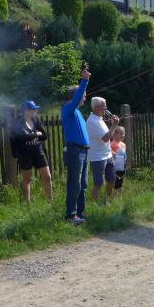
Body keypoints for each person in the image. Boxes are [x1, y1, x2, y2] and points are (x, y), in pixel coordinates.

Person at [61, 66, 90, 225]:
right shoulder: (68, 108)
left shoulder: (77, 112)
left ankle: (80, 213)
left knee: (83, 184)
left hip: (83, 151)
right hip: (75, 151)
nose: (85, 98)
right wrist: (84, 81)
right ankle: (71, 216)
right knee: (75, 183)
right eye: (83, 95)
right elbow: (78, 95)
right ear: (75, 96)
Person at [11, 100, 51, 203]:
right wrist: (36, 134)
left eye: (35, 109)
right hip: (25, 154)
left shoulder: (36, 120)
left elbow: (45, 135)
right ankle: (27, 204)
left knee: (47, 177)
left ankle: (50, 202)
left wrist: (32, 136)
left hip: (38, 151)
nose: (35, 111)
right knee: (27, 179)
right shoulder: (18, 122)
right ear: (26, 111)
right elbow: (23, 137)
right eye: (33, 109)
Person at [86, 97, 120, 203]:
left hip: (107, 155)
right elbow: (105, 138)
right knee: (98, 183)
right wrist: (114, 125)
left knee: (111, 179)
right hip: (97, 157)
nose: (106, 108)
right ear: (97, 107)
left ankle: (106, 200)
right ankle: (95, 205)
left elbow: (106, 137)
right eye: (104, 105)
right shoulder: (92, 121)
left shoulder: (99, 119)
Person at [110, 126, 127, 197]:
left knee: (121, 181)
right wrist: (115, 154)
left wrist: (125, 159)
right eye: (121, 133)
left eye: (124, 133)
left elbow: (125, 154)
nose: (123, 135)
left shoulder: (123, 144)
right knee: (115, 181)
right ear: (115, 134)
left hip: (122, 166)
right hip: (115, 166)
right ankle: (114, 196)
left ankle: (120, 197)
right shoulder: (112, 143)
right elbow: (109, 151)